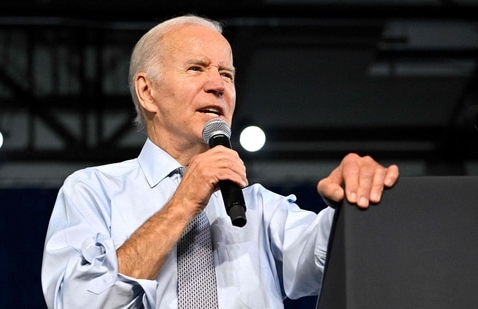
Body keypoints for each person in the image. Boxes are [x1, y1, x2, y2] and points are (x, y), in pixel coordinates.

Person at [41, 15, 399, 308]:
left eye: (226, 74)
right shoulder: (92, 191)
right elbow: (79, 303)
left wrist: (352, 203)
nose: (218, 85)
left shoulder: (259, 207)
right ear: (147, 91)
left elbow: (327, 263)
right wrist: (183, 202)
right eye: (197, 69)